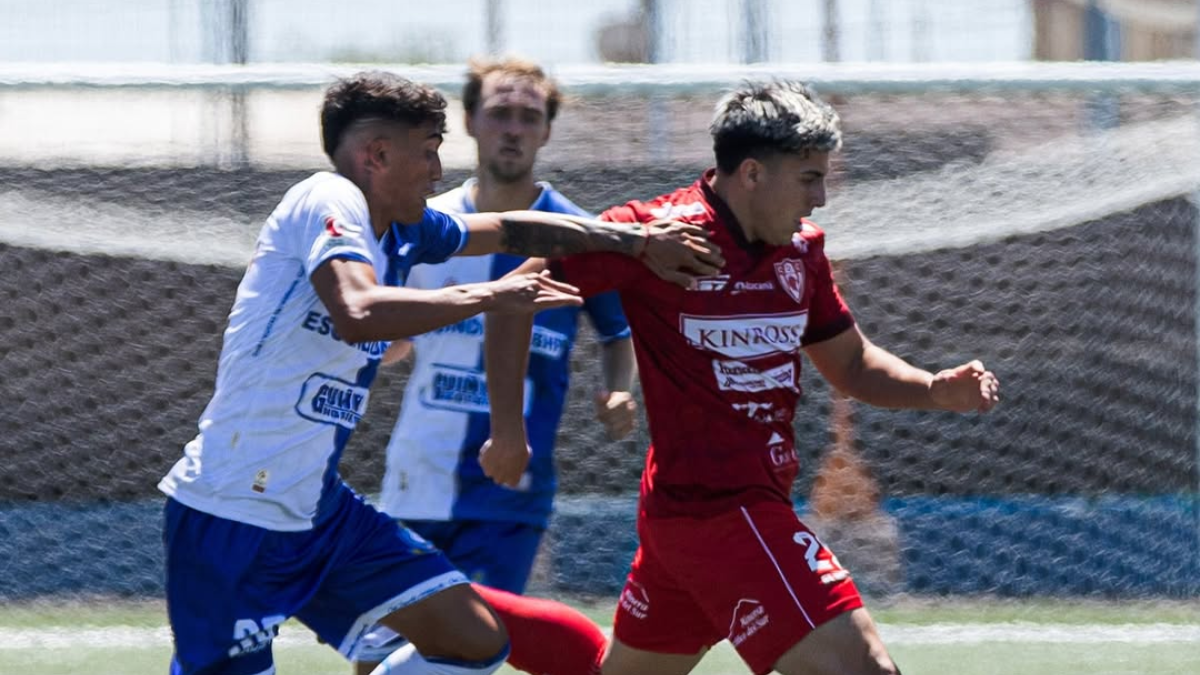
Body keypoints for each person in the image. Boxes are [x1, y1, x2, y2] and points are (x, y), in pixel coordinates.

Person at [157, 70, 722, 675]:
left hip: (318, 511)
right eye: (427, 153)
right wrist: (492, 296)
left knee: (473, 637)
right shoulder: (326, 197)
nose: (436, 171)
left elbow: (511, 228)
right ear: (376, 155)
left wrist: (631, 240)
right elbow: (357, 312)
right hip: (232, 510)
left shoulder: (404, 228)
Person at [482, 81, 1001, 675]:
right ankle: (428, 601)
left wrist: (933, 388)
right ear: (752, 174)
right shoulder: (656, 236)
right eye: (809, 178)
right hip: (726, 515)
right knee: (864, 670)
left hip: (689, 521)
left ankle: (439, 603)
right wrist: (507, 428)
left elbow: (852, 365)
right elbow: (511, 297)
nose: (822, 197)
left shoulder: (799, 252)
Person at [354, 56, 637, 674]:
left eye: (528, 117)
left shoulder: (576, 234)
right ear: (471, 123)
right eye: (500, 113)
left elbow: (618, 334)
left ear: (546, 132)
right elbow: (383, 328)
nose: (513, 128)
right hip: (414, 475)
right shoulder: (426, 230)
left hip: (507, 493)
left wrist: (618, 392)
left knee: (466, 654)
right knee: (374, 659)